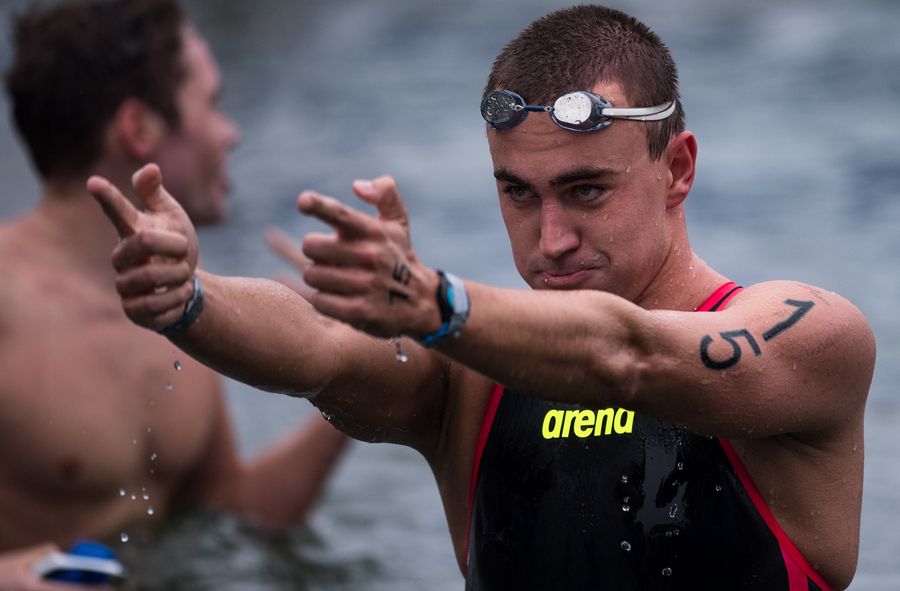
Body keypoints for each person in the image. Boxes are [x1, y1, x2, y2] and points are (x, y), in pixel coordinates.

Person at [88, 5, 875, 590]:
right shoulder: (471, 384)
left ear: (678, 169)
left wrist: (437, 304)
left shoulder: (810, 337)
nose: (551, 238)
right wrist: (188, 297)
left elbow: (629, 354)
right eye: (519, 193)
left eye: (586, 190)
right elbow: (317, 348)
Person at [0, 0, 348, 588]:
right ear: (139, 129)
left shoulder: (186, 306)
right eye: (212, 104)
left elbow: (238, 514)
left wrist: (352, 360)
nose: (231, 132)